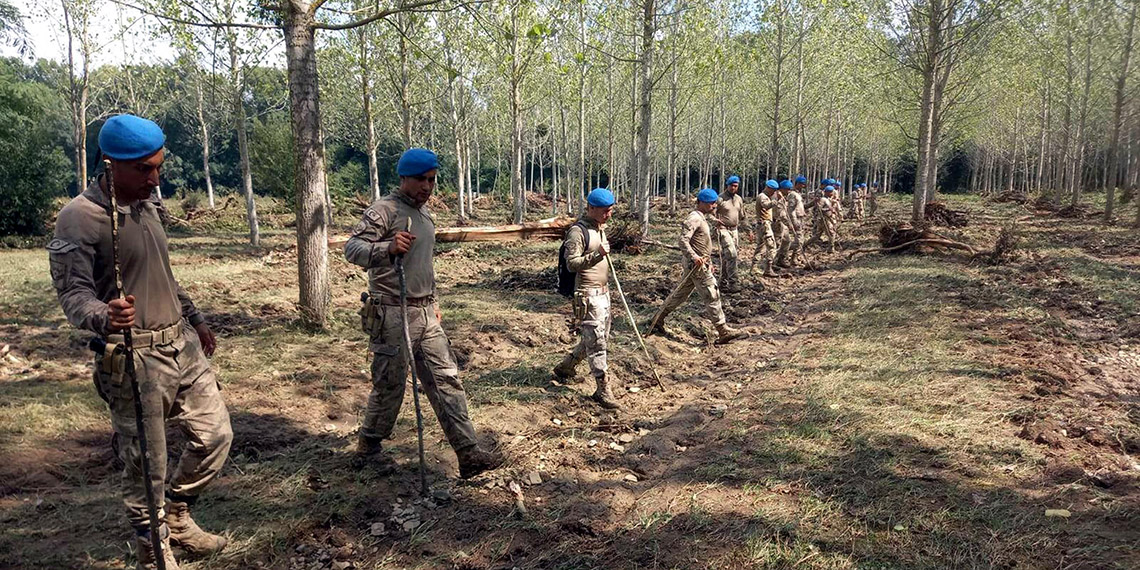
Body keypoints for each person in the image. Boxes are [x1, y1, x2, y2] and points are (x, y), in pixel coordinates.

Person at [47, 114, 232, 570]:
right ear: (110, 165)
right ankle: (155, 545)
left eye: (158, 167)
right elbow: (73, 294)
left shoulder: (147, 206)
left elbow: (162, 273)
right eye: (144, 170)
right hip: (134, 357)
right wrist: (102, 315)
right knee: (146, 462)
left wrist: (196, 318)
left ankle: (178, 513)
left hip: (182, 344)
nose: (155, 179)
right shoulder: (79, 218)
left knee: (216, 436)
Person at [345, 148, 503, 479]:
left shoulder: (425, 215)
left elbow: (423, 266)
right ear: (404, 177)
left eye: (432, 180)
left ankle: (467, 452)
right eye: (421, 180)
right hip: (391, 312)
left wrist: (433, 303)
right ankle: (369, 446)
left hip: (425, 312)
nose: (427, 187)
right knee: (390, 385)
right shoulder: (384, 211)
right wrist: (386, 248)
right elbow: (353, 249)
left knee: (446, 379)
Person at [647, 189, 745, 344]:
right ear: (701, 203)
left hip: (700, 263)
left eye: (714, 203)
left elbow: (703, 244)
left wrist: (709, 262)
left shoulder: (702, 217)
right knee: (712, 294)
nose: (714, 206)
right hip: (697, 266)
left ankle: (657, 320)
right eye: (710, 203)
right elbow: (683, 241)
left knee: (680, 295)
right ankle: (722, 329)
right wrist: (695, 257)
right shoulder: (694, 218)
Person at [553, 188, 620, 409]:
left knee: (598, 338)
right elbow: (572, 263)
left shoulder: (600, 228)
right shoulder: (577, 232)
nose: (608, 215)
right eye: (604, 211)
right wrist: (597, 255)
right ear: (591, 208)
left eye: (610, 210)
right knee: (597, 342)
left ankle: (566, 366)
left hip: (604, 293)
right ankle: (603, 389)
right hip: (587, 296)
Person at [714, 175, 745, 292]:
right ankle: (733, 283)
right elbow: (710, 212)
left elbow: (742, 216)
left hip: (734, 230)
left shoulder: (739, 199)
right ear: (727, 185)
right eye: (731, 185)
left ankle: (722, 282)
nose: (733, 188)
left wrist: (749, 230)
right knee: (732, 254)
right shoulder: (720, 199)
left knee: (728, 258)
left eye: (736, 186)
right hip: (723, 229)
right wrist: (715, 221)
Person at [750, 180, 780, 277]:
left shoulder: (766, 196)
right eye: (773, 190)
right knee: (772, 247)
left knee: (761, 247)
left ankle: (754, 268)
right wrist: (776, 201)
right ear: (768, 188)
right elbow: (766, 206)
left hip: (763, 224)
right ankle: (768, 268)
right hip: (764, 224)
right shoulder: (763, 197)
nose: (774, 192)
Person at [774, 179, 804, 268]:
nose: (789, 191)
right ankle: (773, 262)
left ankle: (781, 259)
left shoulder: (784, 197)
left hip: (784, 223)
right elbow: (783, 213)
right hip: (778, 223)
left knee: (786, 241)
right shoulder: (777, 198)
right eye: (787, 189)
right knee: (777, 243)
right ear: (782, 189)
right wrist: (790, 223)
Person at [805, 185, 841, 252]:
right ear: (828, 192)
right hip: (824, 219)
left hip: (827, 219)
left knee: (817, 235)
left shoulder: (828, 199)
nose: (833, 194)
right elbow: (819, 209)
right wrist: (829, 209)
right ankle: (831, 249)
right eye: (831, 192)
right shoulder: (823, 200)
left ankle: (805, 244)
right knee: (832, 234)